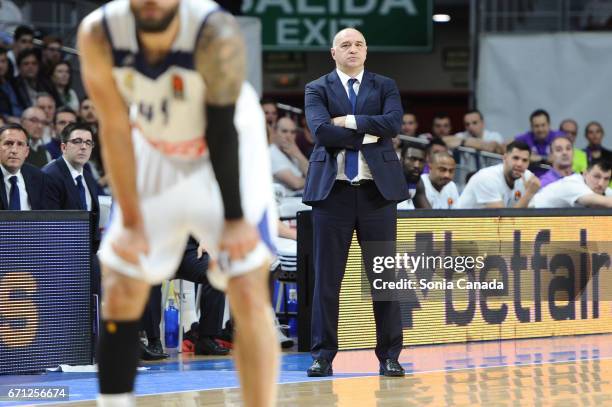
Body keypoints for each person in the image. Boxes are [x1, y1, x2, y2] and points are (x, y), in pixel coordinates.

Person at [78, 1, 278, 406]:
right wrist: (132, 219)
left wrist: (235, 220)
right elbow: (115, 129)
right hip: (156, 149)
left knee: (246, 285)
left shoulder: (214, 30)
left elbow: (221, 129)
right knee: (120, 281)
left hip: (229, 148)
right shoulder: (98, 33)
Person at [303, 27, 408, 378]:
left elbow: (393, 124)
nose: (353, 49)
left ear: (366, 51)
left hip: (376, 194)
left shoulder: (385, 85)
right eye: (345, 45)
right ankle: (322, 356)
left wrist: (347, 122)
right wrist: (369, 130)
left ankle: (390, 355)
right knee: (327, 280)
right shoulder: (316, 88)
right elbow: (320, 131)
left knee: (384, 278)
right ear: (333, 53)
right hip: (332, 194)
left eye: (359, 44)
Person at [43, 122, 101, 294]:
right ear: (63, 146)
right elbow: (49, 226)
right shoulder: (50, 175)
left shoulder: (88, 177)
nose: (83, 147)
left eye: (88, 143)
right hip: (60, 262)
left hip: (86, 257)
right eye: (77, 141)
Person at [456, 141, 540, 209]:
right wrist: (529, 193)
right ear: (505, 158)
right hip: (462, 227)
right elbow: (502, 221)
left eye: (525, 160)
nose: (519, 164)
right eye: (515, 158)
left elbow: (532, 214)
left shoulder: (527, 176)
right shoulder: (487, 178)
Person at [0, 123, 47, 210]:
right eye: (8, 143)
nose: (14, 150)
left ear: (26, 152)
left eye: (20, 144)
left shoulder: (39, 177)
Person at [531, 159, 612, 208]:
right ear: (585, 173)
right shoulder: (573, 184)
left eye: (606, 179)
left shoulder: (601, 189)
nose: (601, 183)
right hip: (529, 217)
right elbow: (599, 203)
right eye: (597, 177)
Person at [514, 109, 563, 176]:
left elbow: (564, 158)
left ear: (549, 124)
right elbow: (512, 152)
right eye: (536, 126)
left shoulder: (559, 138)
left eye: (543, 125)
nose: (540, 129)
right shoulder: (524, 139)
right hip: (529, 179)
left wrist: (538, 158)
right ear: (531, 127)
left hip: (554, 180)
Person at [269, 116, 308, 192]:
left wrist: (298, 154)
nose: (289, 136)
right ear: (275, 132)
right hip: (285, 201)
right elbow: (296, 183)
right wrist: (313, 181)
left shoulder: (292, 152)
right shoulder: (271, 152)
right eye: (284, 131)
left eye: (293, 132)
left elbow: (312, 174)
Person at [397, 144, 431, 210]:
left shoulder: (418, 182)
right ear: (401, 159)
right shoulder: (389, 178)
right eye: (412, 159)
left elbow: (427, 213)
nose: (417, 165)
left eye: (421, 161)